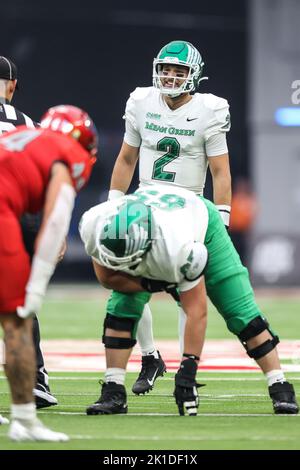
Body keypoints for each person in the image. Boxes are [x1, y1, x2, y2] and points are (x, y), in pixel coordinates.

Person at [79, 184, 299, 417]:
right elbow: (107, 277)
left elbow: (195, 310)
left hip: (202, 223)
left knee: (239, 310)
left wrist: (188, 369)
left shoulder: (176, 248)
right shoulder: (96, 222)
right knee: (122, 307)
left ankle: (279, 384)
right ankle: (113, 388)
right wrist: (150, 284)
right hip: (160, 226)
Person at [108, 40, 232, 394]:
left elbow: (220, 171)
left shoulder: (210, 109)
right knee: (125, 280)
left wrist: (220, 219)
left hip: (188, 207)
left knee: (188, 292)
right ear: (156, 69)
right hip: (146, 199)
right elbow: (126, 159)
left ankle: (184, 369)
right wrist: (114, 202)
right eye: (166, 69)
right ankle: (150, 356)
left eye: (179, 72)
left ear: (194, 75)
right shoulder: (141, 102)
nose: (171, 77)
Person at [0, 104, 98, 441]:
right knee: (17, 320)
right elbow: (56, 220)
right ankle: (25, 421)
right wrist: (37, 286)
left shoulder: (23, 136)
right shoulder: (68, 152)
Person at [0, 55, 57, 409]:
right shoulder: (29, 124)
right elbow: (49, 177)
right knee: (18, 305)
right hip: (21, 215)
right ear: (13, 86)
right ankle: (36, 379)